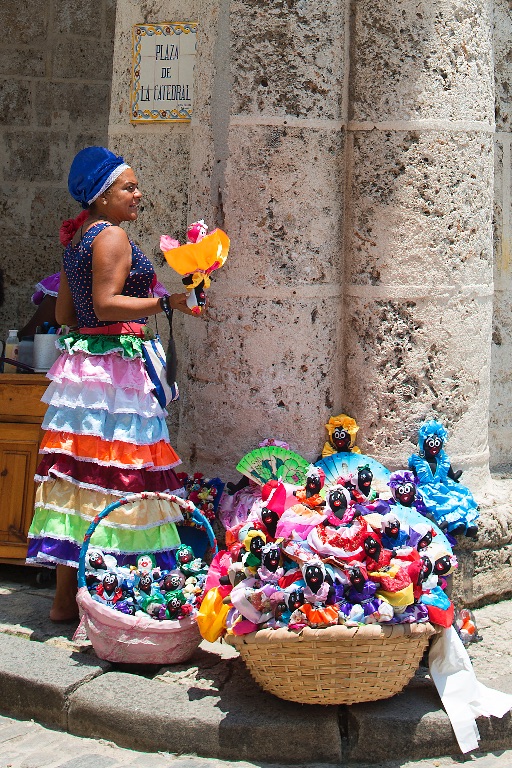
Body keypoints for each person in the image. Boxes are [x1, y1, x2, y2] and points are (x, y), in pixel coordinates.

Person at [26, 146, 198, 621]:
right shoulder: (113, 236)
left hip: (81, 374)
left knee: (79, 475)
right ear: (102, 196)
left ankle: (65, 599)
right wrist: (170, 304)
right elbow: (105, 305)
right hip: (114, 375)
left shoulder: (79, 237)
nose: (137, 194)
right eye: (128, 187)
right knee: (121, 475)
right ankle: (106, 601)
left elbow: (64, 314)